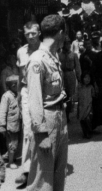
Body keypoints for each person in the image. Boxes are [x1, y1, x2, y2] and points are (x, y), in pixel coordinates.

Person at [26, 14, 68, 191]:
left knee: (59, 175)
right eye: (64, 33)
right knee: (42, 180)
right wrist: (41, 132)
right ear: (60, 33)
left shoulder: (53, 56)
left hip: (60, 117)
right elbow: (34, 99)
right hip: (46, 120)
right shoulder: (37, 60)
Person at [15, 21, 41, 188]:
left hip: (44, 93)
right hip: (26, 91)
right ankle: (26, 170)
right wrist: (18, 94)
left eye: (33, 33)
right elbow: (20, 75)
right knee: (28, 131)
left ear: (39, 33)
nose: (30, 36)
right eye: (27, 34)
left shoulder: (46, 50)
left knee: (44, 128)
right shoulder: (21, 52)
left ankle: (43, 167)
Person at [59, 36, 81, 122]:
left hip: (70, 75)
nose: (67, 45)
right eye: (65, 44)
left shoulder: (74, 55)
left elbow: (78, 68)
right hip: (62, 75)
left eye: (68, 43)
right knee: (62, 95)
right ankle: (64, 114)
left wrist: (80, 79)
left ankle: (68, 114)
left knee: (70, 95)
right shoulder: (59, 55)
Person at [0, 75, 20, 169]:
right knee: (12, 143)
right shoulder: (6, 96)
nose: (18, 86)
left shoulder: (16, 94)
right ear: (11, 86)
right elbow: (2, 112)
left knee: (15, 142)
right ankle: (10, 162)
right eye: (15, 85)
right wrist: (2, 125)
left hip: (16, 124)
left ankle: (10, 157)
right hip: (10, 125)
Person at [78, 72, 95, 139]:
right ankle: (84, 132)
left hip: (89, 106)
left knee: (88, 119)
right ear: (82, 78)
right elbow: (76, 95)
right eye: (85, 77)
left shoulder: (91, 87)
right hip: (81, 106)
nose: (87, 79)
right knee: (82, 120)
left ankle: (89, 132)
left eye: (89, 78)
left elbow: (93, 95)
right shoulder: (79, 87)